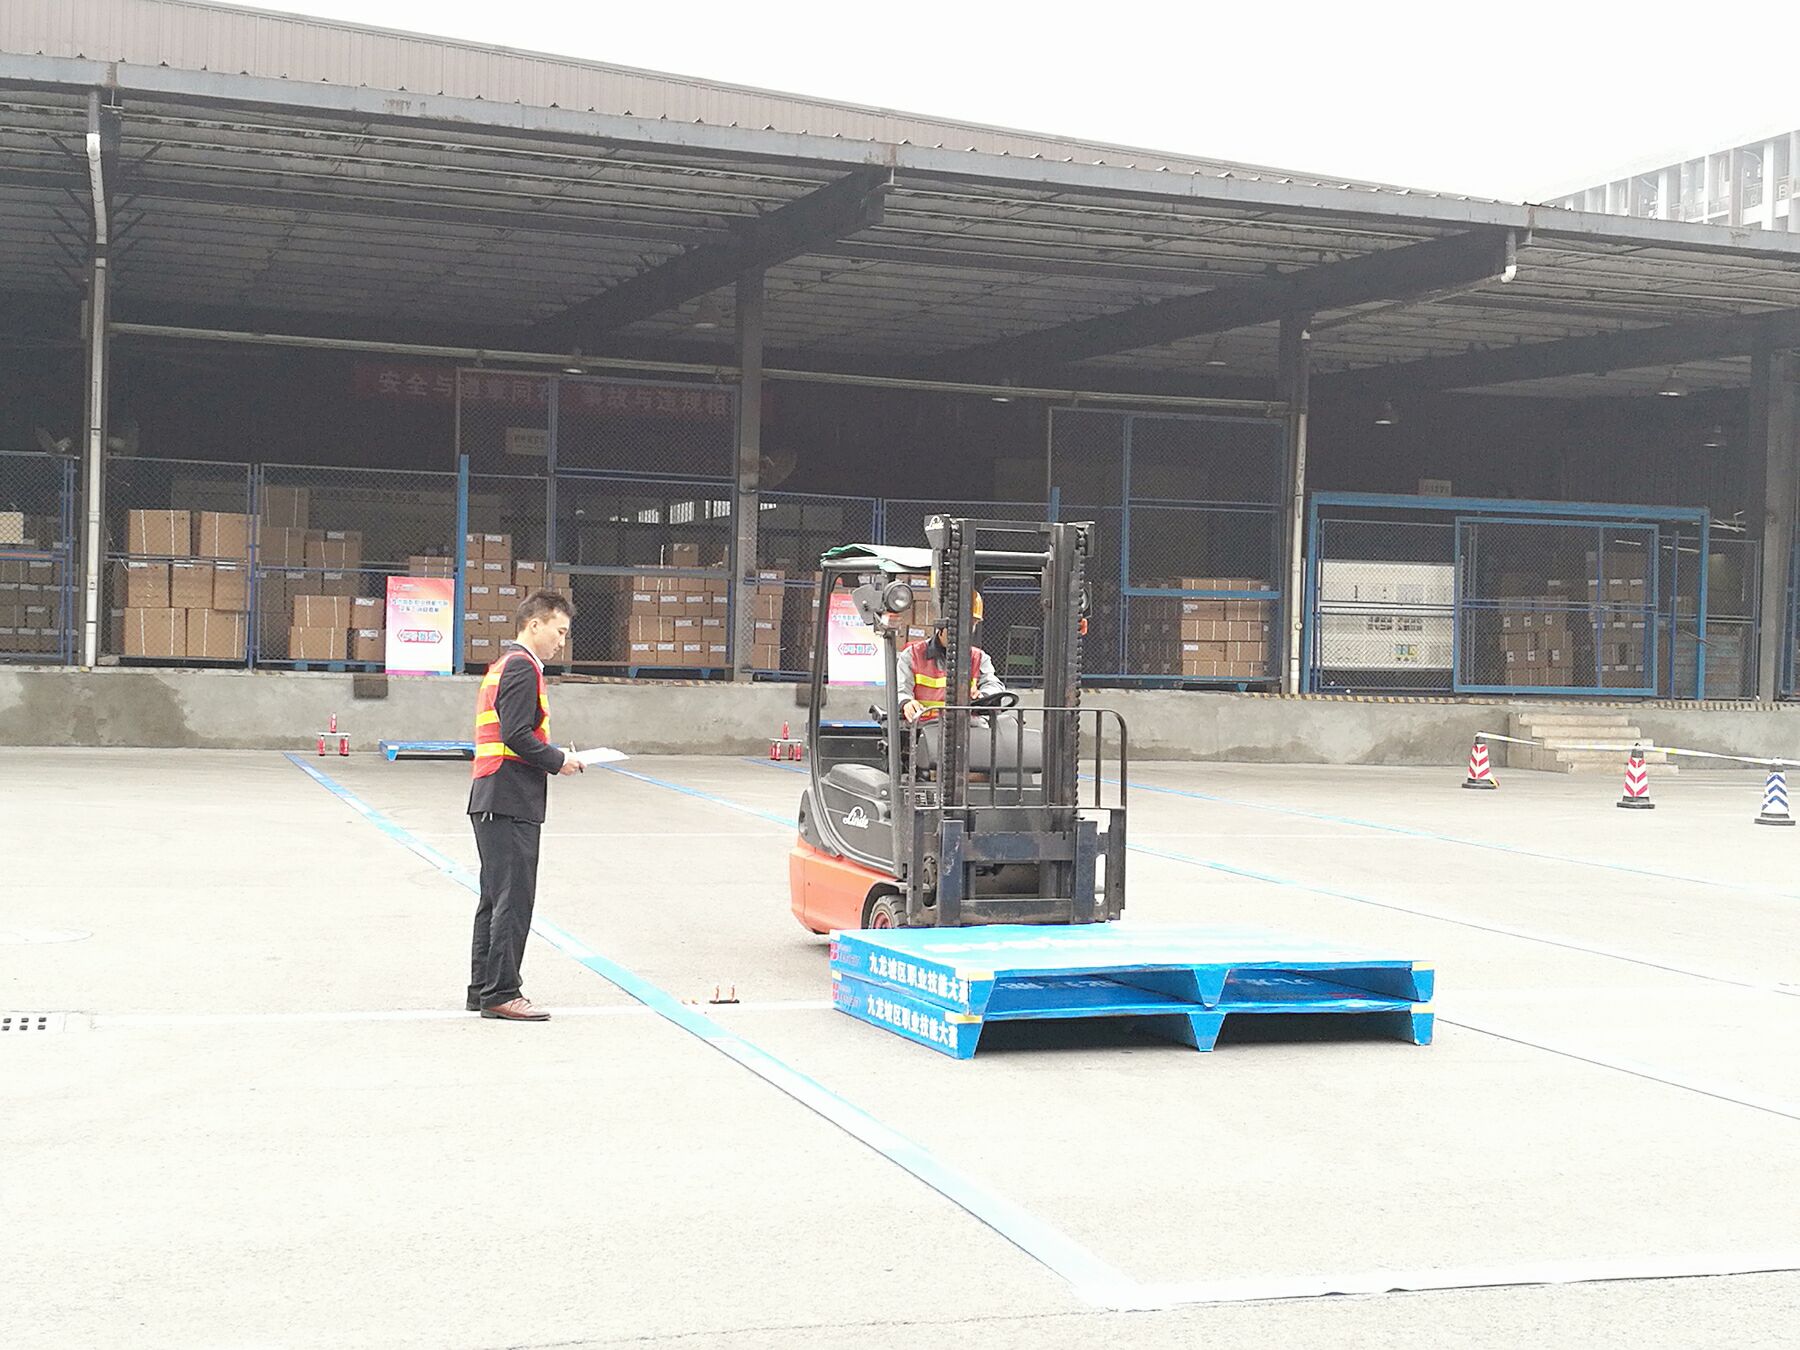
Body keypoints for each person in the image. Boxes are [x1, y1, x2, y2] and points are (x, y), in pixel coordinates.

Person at [466, 590, 583, 1022]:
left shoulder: (505, 665)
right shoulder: (521, 667)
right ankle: (502, 991)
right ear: (535, 625)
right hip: (509, 797)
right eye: (559, 631)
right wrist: (558, 760)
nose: (561, 642)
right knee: (513, 900)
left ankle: (483, 988)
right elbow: (516, 734)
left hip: (494, 794)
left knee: (495, 899)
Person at [897, 589, 1006, 724]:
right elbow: (900, 690)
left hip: (968, 728)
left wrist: (982, 696)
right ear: (942, 624)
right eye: (960, 624)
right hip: (924, 728)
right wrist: (906, 702)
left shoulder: (979, 658)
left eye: (971, 624)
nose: (965, 631)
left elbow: (994, 684)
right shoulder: (912, 655)